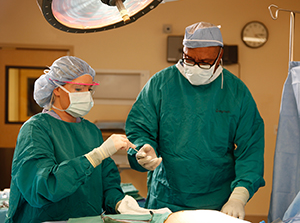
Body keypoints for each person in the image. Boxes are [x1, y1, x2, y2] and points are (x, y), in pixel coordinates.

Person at [125, 22, 265, 219]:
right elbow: (139, 128)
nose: (196, 67)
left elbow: (250, 148)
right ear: (183, 51)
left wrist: (239, 196)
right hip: (166, 197)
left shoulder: (236, 92)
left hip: (217, 200)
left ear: (220, 57)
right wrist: (143, 148)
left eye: (205, 62)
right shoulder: (161, 84)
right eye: (189, 59)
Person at [5, 56, 151, 222]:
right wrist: (95, 156)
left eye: (89, 89)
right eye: (79, 89)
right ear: (57, 89)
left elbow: (106, 182)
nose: (86, 95)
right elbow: (43, 187)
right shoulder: (35, 129)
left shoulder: (91, 131)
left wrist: (119, 202)